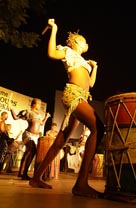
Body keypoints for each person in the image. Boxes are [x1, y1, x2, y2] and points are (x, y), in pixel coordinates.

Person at [29, 18, 105, 199]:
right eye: (85, 40)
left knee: (61, 139)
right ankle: (81, 184)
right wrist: (54, 29)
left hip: (82, 96)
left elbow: (91, 84)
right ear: (78, 41)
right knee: (98, 127)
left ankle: (36, 178)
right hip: (73, 95)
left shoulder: (85, 62)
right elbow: (51, 53)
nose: (87, 43)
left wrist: (94, 68)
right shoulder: (69, 52)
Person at [10, 98, 51, 180]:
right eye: (38, 104)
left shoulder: (39, 115)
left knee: (28, 153)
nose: (40, 106)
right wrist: (11, 109)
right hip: (28, 134)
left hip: (35, 136)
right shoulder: (28, 112)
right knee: (31, 150)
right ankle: (24, 173)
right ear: (33, 104)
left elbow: (42, 124)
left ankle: (21, 172)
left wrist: (46, 117)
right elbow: (15, 117)